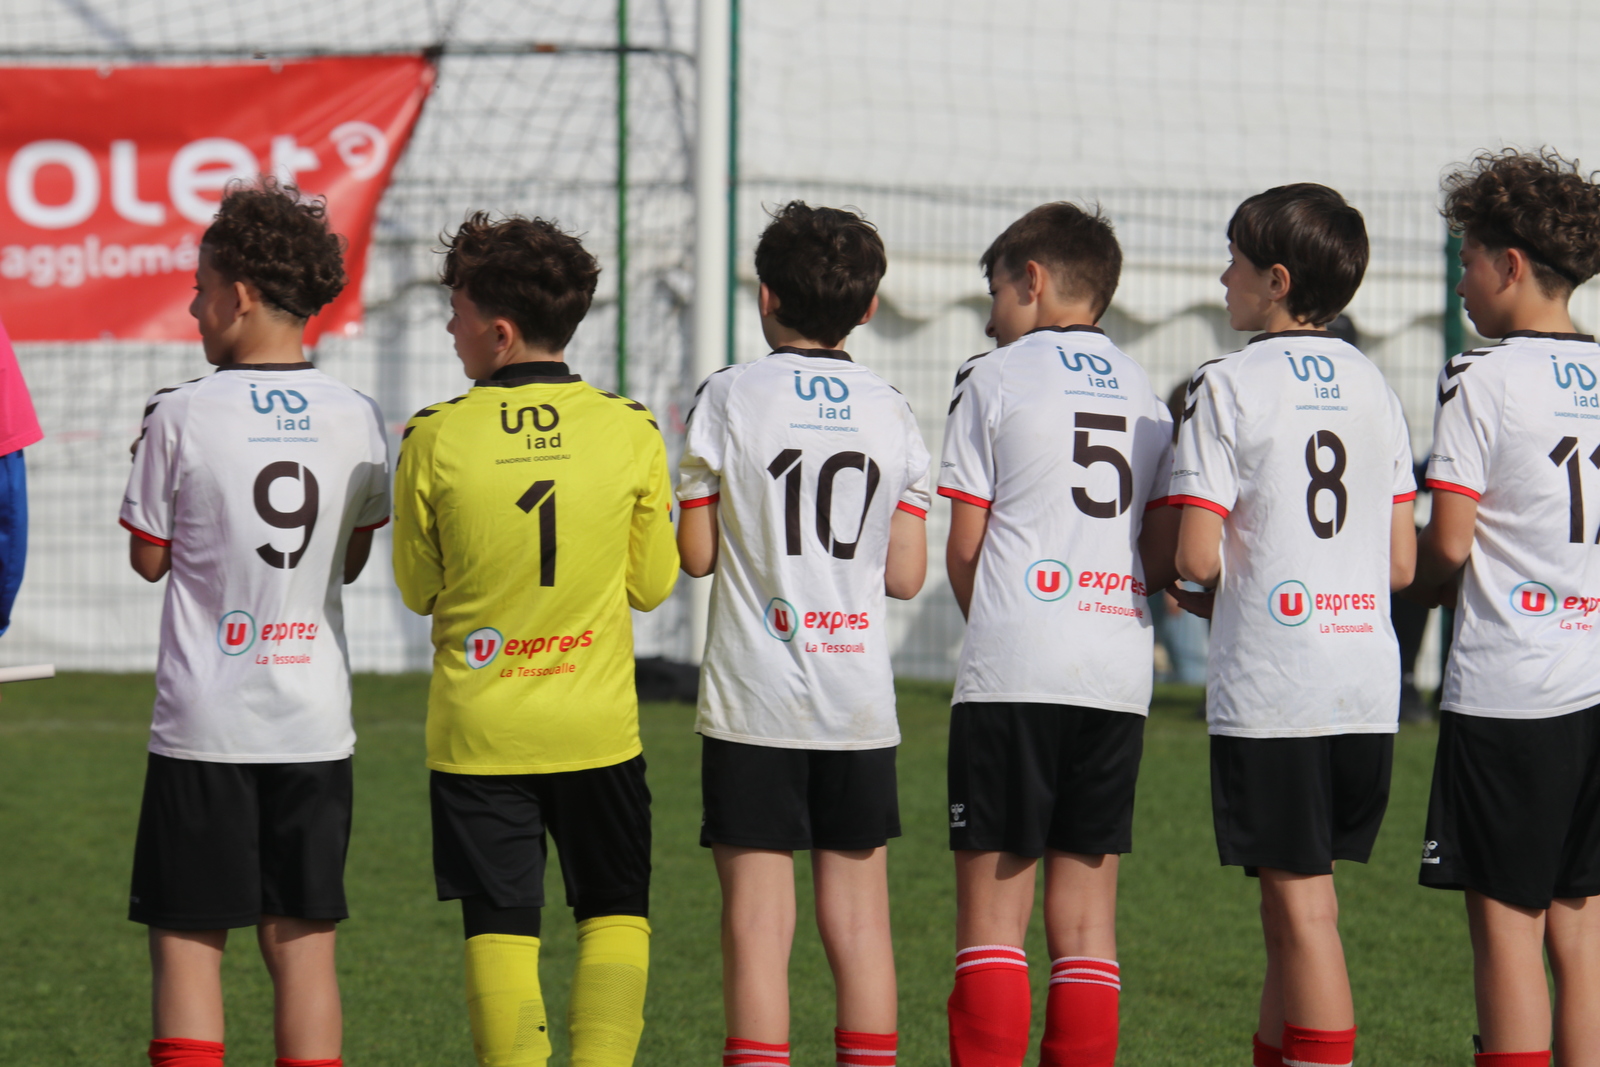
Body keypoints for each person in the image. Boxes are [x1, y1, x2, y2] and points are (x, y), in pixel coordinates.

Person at [392, 212, 678, 1067]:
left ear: (501, 331)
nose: (450, 327)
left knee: (501, 927)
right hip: (597, 729)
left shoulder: (433, 434)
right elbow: (652, 584)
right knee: (615, 912)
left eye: (457, 311)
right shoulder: (630, 427)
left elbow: (417, 589)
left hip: (482, 732)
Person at [119, 179, 390, 1067]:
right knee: (304, 944)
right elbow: (350, 559)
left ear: (238, 295)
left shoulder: (180, 411)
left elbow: (149, 560)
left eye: (200, 289)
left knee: (187, 938)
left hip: (207, 723)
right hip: (312, 720)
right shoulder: (358, 415)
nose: (192, 307)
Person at [676, 201, 930, 1067]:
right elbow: (905, 575)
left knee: (756, 921)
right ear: (868, 308)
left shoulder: (728, 394)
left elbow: (698, 556)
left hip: (755, 698)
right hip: (856, 699)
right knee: (860, 920)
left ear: (766, 295)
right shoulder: (892, 409)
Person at [1169, 184, 1416, 1067]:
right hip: (1364, 681)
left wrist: (1208, 590)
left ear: (1276, 280)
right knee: (1294, 906)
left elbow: (1195, 556)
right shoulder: (1376, 385)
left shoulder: (1227, 383)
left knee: (1303, 911)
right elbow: (1400, 565)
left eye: (1234, 259)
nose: (1222, 276)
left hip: (1279, 680)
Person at [938, 202, 1179, 1067]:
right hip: (1115, 668)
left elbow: (964, 548)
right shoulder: (1148, 392)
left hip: (1017, 664)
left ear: (1032, 280)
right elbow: (1159, 550)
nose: (990, 316)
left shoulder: (992, 375)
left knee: (992, 921)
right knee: (1086, 926)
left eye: (996, 292)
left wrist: (1008, 626)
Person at [1406, 148, 1600, 1067]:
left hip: (1513, 688)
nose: (1461, 282)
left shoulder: (1480, 376)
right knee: (1581, 925)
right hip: (1594, 678)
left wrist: (1393, 582)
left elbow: (1448, 543)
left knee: (1506, 924)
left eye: (1469, 260)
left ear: (1511, 264)